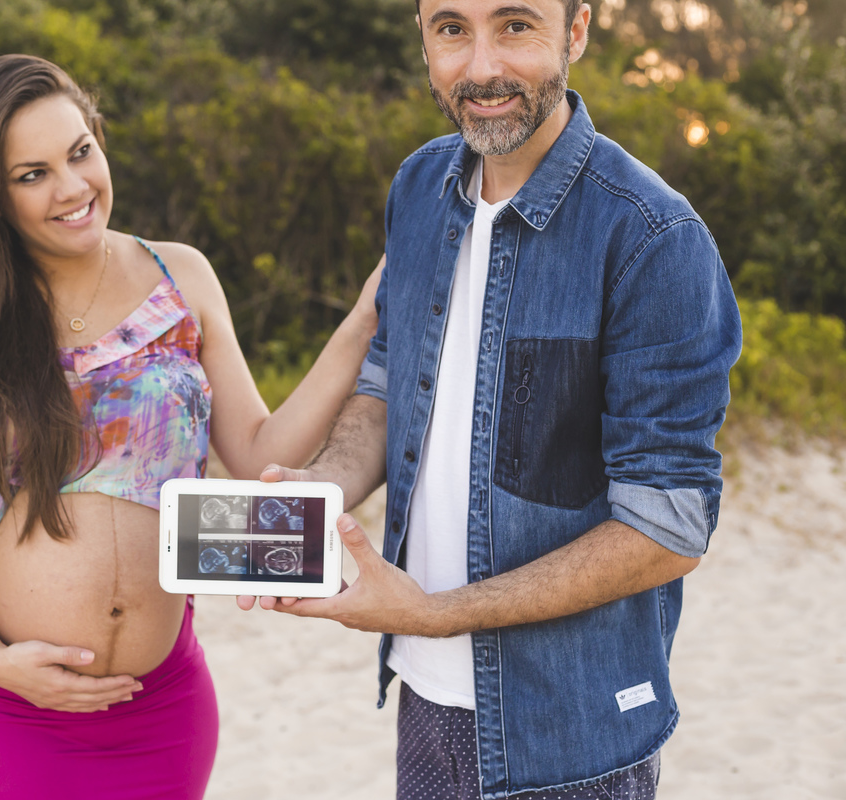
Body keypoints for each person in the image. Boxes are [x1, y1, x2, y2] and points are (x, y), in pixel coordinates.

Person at [238, 1, 742, 798]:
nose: (480, 69)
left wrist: (436, 611)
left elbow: (667, 527)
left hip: (569, 734)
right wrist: (321, 488)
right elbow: (386, 380)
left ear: (576, 31)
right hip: (423, 694)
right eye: (451, 29)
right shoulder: (418, 187)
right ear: (423, 37)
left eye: (515, 26)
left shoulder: (652, 238)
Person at [0, 54, 381, 800]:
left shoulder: (182, 277)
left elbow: (261, 453)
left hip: (160, 710)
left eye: (81, 152)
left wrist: (364, 322)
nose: (74, 187)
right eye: (32, 174)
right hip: (8, 709)